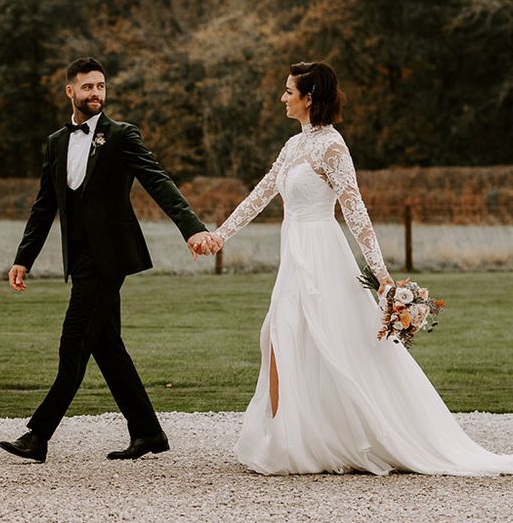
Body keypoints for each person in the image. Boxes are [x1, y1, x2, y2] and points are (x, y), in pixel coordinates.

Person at [200, 61, 513, 476]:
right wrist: (220, 235)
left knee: (324, 341)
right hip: (294, 255)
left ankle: (351, 435)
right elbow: (260, 195)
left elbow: (356, 212)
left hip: (322, 255)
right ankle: (284, 439)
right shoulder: (293, 147)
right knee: (279, 336)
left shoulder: (333, 146)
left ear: (309, 98)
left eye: (288, 91)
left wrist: (382, 277)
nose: (282, 98)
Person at [0, 57, 215, 463]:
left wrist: (193, 228)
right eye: (87, 87)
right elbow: (44, 206)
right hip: (79, 259)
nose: (95, 93)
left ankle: (37, 435)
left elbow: (158, 181)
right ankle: (148, 432)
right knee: (107, 346)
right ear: (70, 92)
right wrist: (23, 258)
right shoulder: (55, 142)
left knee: (74, 343)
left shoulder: (121, 136)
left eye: (100, 86)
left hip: (108, 259)